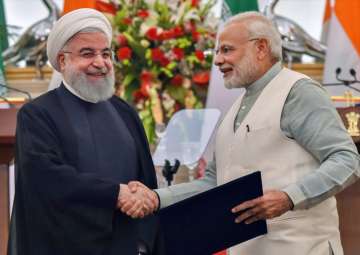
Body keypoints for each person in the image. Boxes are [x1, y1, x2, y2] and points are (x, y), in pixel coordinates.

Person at [127, 11, 360, 255]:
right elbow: (213, 183)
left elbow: (346, 159)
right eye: (217, 51)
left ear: (261, 48)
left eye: (226, 50)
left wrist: (289, 197)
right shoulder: (237, 106)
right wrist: (155, 198)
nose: (217, 60)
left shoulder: (298, 92)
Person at [8, 8, 160, 255]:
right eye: (87, 54)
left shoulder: (125, 112)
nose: (100, 63)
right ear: (63, 61)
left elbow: (145, 179)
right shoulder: (38, 114)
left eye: (106, 54)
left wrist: (144, 218)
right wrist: (115, 193)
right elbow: (46, 178)